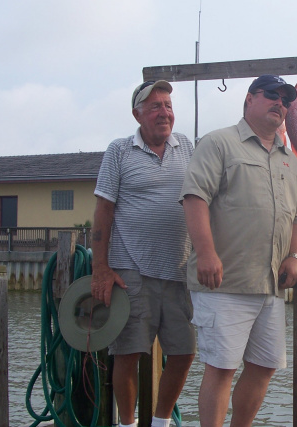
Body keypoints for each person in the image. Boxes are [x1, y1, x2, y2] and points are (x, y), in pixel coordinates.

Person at [180, 74, 297, 426]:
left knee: (265, 366)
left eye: (286, 99)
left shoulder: (291, 161)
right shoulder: (218, 143)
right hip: (224, 282)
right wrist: (205, 253)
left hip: (271, 286)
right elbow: (194, 198)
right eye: (271, 95)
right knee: (221, 368)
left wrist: (296, 256)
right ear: (249, 99)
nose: (280, 103)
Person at [91, 80, 196, 427]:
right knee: (128, 353)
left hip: (180, 271)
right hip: (132, 270)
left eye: (168, 105)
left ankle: (161, 422)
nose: (164, 112)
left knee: (184, 352)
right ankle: (127, 423)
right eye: (155, 106)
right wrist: (101, 269)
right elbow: (104, 210)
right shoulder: (119, 151)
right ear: (137, 114)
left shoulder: (189, 148)